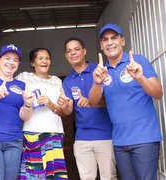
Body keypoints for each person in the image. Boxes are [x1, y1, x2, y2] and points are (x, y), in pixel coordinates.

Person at [89, 23, 163, 180]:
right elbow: (93, 102)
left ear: (122, 41)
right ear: (101, 45)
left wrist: (140, 78)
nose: (110, 43)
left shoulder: (138, 62)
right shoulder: (101, 70)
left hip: (145, 138)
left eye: (114, 38)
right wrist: (97, 82)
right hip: (120, 141)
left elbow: (158, 93)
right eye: (105, 39)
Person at [0, 48, 68, 179]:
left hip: (46, 133)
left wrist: (46, 103)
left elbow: (63, 111)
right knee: (33, 175)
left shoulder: (55, 81)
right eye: (40, 58)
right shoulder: (24, 78)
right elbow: (5, 74)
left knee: (53, 175)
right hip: (29, 133)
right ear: (32, 62)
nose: (44, 61)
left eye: (47, 58)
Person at [57, 37, 117, 180]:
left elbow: (113, 100)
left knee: (108, 177)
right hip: (82, 138)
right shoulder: (68, 81)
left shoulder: (100, 71)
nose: (73, 53)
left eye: (76, 49)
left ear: (84, 51)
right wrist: (64, 106)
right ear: (66, 56)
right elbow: (68, 112)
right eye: (69, 51)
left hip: (105, 135)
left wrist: (92, 101)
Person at [0, 44, 34, 180]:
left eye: (15, 60)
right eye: (7, 58)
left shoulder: (21, 86)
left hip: (14, 141)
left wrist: (28, 104)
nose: (11, 62)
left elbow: (25, 117)